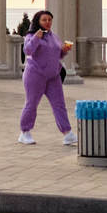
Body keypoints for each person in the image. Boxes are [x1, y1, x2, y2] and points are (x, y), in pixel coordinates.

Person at [19, 8, 75, 146]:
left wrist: (64, 51)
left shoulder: (53, 36)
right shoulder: (31, 36)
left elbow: (57, 55)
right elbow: (28, 50)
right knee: (31, 104)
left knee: (59, 104)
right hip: (35, 75)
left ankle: (67, 133)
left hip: (53, 76)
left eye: (49, 20)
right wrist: (36, 37)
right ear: (38, 21)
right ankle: (25, 132)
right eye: (44, 20)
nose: (47, 22)